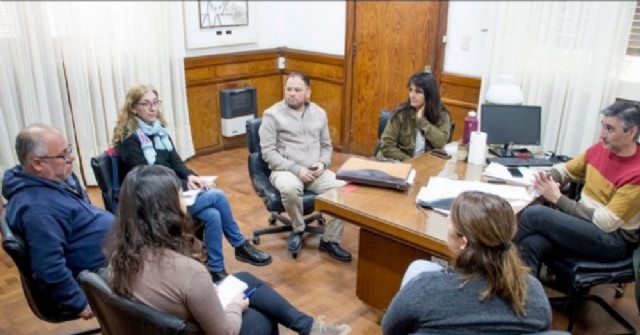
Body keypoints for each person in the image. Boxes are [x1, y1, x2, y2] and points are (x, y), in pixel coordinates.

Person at [105, 165, 351, 335]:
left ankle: (308, 327)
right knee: (259, 316)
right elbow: (225, 331)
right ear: (166, 211)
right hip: (204, 327)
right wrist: (236, 305)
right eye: (181, 196)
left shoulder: (119, 257)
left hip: (167, 323)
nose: (186, 202)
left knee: (243, 279)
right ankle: (308, 327)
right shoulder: (189, 272)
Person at [112, 84, 271, 283]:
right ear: (134, 108)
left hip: (172, 190)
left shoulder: (159, 131)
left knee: (212, 215)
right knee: (218, 197)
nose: (153, 108)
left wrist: (190, 176)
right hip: (152, 200)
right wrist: (182, 187)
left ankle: (216, 269)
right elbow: (148, 178)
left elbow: (175, 161)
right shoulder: (129, 139)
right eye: (146, 104)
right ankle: (239, 245)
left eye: (155, 102)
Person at [382, 191, 552, 335]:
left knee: (418, 267)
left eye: (451, 220)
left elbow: (389, 329)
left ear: (464, 242)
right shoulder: (534, 292)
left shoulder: (424, 288)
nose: (448, 219)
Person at [2, 124, 114, 320]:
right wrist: (79, 302)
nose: (70, 158)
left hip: (114, 255)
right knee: (168, 284)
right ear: (37, 164)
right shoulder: (39, 211)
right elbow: (48, 267)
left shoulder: (44, 183)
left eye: (68, 150)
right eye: (62, 155)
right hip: (100, 273)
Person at [515, 101, 640, 276]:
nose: (602, 135)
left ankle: (490, 269)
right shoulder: (601, 149)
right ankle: (522, 301)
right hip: (584, 226)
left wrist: (558, 199)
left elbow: (606, 222)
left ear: (632, 132)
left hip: (612, 240)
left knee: (534, 214)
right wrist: (546, 178)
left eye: (610, 129)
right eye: (603, 126)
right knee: (532, 243)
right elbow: (566, 170)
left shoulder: (637, 174)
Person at [259, 72, 351, 261]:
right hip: (285, 170)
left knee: (344, 190)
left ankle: (330, 240)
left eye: (297, 90)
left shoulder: (319, 113)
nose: (292, 93)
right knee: (291, 188)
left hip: (315, 170)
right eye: (288, 89)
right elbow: (268, 153)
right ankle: (298, 229)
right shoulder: (271, 115)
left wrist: (322, 163)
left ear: (308, 92)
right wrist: (296, 169)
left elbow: (326, 146)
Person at [376, 71, 451, 162]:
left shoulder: (441, 115)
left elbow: (441, 143)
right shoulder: (401, 113)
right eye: (411, 90)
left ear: (429, 95)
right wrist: (411, 162)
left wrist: (422, 121)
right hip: (396, 162)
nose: (412, 95)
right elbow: (387, 146)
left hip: (425, 167)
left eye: (418, 92)